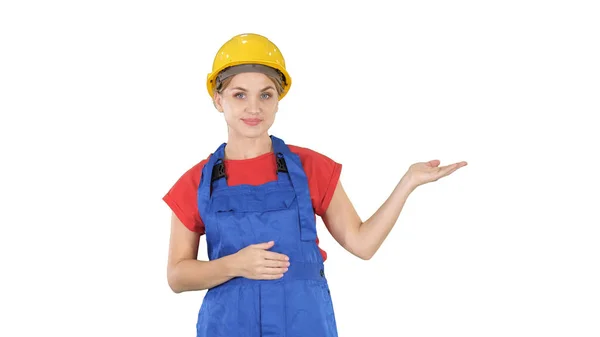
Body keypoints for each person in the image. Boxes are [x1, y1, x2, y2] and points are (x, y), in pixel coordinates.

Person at [163, 33, 467, 337]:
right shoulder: (197, 182)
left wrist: (408, 182)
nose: (254, 108)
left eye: (265, 95)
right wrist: (235, 266)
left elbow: (363, 244)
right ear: (218, 99)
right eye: (239, 94)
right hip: (228, 327)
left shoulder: (310, 168)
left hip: (304, 326)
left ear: (278, 100)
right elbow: (177, 275)